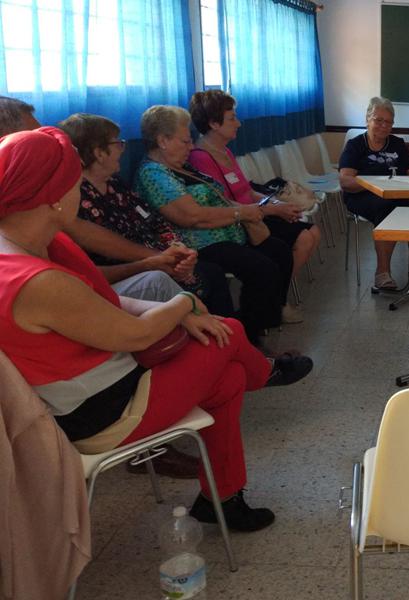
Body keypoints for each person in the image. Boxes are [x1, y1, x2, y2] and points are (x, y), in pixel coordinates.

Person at [0, 127, 312, 531]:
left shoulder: (29, 244)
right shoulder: (35, 279)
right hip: (104, 412)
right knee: (231, 332)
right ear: (55, 199)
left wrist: (179, 311)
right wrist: (185, 302)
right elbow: (136, 335)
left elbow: (102, 301)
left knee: (229, 376)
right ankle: (263, 373)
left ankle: (223, 497)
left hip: (109, 382)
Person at [135, 105, 296, 347]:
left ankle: (259, 323)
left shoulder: (181, 166)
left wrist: (250, 212)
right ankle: (246, 338)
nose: (191, 147)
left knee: (279, 251)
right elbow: (191, 217)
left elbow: (218, 197)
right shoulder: (154, 175)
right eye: (185, 141)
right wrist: (241, 212)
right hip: (200, 243)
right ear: (163, 140)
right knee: (262, 268)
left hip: (226, 232)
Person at [58, 113, 235, 318]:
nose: (122, 149)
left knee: (211, 272)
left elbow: (155, 222)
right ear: (99, 153)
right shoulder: (76, 196)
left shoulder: (115, 184)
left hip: (161, 258)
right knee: (206, 275)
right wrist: (164, 259)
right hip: (129, 271)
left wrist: (178, 250)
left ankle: (230, 339)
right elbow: (100, 252)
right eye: (118, 143)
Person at [187, 89, 321, 322]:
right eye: (232, 118)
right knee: (298, 240)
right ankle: (276, 302)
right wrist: (274, 210)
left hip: (256, 214)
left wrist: (276, 202)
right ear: (213, 124)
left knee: (311, 231)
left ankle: (276, 295)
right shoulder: (201, 158)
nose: (238, 123)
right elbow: (226, 203)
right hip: (239, 222)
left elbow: (247, 191)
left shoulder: (225, 151)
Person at [339, 96, 409, 290]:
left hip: (395, 194)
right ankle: (382, 273)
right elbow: (346, 181)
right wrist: (374, 183)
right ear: (367, 119)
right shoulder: (355, 145)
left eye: (389, 122)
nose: (384, 126)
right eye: (379, 120)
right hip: (362, 196)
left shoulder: (397, 144)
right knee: (387, 210)